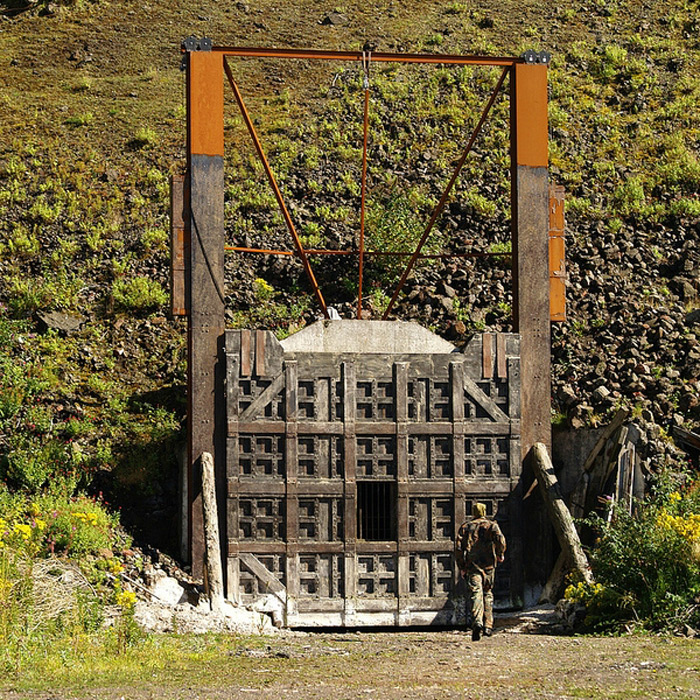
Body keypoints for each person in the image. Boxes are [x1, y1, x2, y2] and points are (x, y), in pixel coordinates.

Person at [455, 502, 506, 641]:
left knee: (476, 593)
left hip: (473, 566)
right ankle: (488, 625)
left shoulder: (466, 527)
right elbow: (500, 539)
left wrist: (462, 566)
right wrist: (501, 554)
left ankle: (477, 622)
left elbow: (459, 549)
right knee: (488, 593)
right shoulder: (491, 525)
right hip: (489, 566)